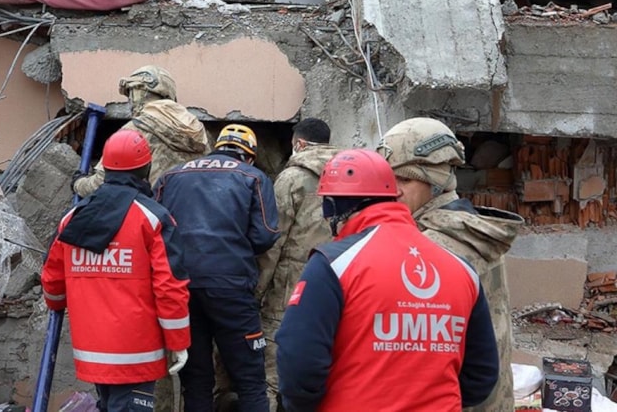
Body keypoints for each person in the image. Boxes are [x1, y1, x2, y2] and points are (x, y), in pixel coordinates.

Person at [276, 149, 499, 411]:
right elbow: (482, 375)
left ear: (334, 207)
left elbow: (298, 361)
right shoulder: (462, 270)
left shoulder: (334, 265)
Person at [376, 117, 524, 412]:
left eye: (405, 179)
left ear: (437, 181)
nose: (393, 190)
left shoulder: (435, 246)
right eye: (389, 179)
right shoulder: (467, 227)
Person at [42, 130, 191, 412]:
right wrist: (178, 341)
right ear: (146, 168)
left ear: (106, 168)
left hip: (91, 351)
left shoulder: (73, 218)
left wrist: (58, 303)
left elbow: (52, 283)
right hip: (136, 352)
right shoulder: (152, 218)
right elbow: (170, 285)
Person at [154, 123, 280, 412]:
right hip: (231, 288)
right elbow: (265, 235)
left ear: (217, 147)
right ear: (249, 155)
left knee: (196, 381)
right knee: (250, 381)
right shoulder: (253, 177)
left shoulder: (170, 176)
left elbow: (154, 230)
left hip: (180, 289)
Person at [254, 117, 339, 411]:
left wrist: (256, 292)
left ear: (299, 144)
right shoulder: (350, 175)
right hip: (337, 289)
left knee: (271, 377)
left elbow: (272, 242)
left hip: (290, 291)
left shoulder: (292, 178)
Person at [73, 65, 211, 198]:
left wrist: (79, 183)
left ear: (138, 93)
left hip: (155, 211)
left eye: (131, 94)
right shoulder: (199, 130)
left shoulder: (134, 131)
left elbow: (102, 186)